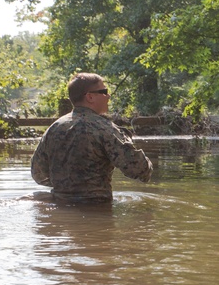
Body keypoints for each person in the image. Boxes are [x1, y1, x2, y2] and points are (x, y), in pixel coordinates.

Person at [31, 73, 153, 203]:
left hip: (60, 204)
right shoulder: (105, 128)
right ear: (90, 97)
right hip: (96, 207)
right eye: (104, 92)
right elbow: (140, 170)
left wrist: (67, 183)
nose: (108, 96)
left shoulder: (54, 128)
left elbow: (38, 174)